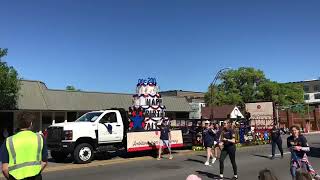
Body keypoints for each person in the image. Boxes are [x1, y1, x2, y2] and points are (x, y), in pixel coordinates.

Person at [1, 112, 48, 180]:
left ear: (18, 125)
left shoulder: (8, 141)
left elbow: (4, 169)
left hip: (15, 177)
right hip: (36, 177)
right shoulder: (40, 138)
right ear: (31, 124)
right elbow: (44, 162)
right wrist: (36, 172)